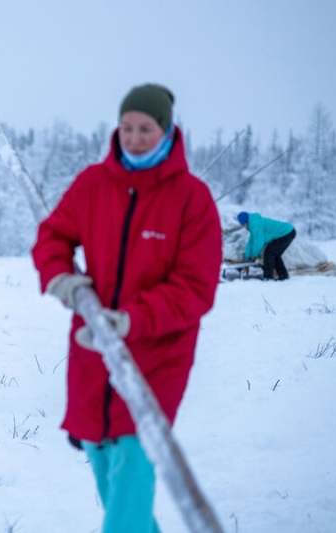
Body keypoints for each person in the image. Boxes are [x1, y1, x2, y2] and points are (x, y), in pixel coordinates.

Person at [32, 84, 222, 532]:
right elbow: (53, 236)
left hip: (158, 357)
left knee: (131, 478)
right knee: (107, 475)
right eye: (127, 127)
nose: (134, 137)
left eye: (146, 128)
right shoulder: (94, 184)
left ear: (168, 130)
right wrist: (60, 277)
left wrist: (132, 319)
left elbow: (196, 286)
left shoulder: (192, 199)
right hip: (93, 351)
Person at [237, 211, 296, 280]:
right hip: (288, 231)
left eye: (244, 224)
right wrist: (247, 257)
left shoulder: (256, 225)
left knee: (269, 252)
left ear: (246, 221)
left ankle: (268, 277)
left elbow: (258, 242)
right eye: (242, 225)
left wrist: (254, 255)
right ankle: (283, 276)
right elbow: (250, 243)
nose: (244, 226)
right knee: (275, 254)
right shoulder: (253, 225)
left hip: (286, 233)